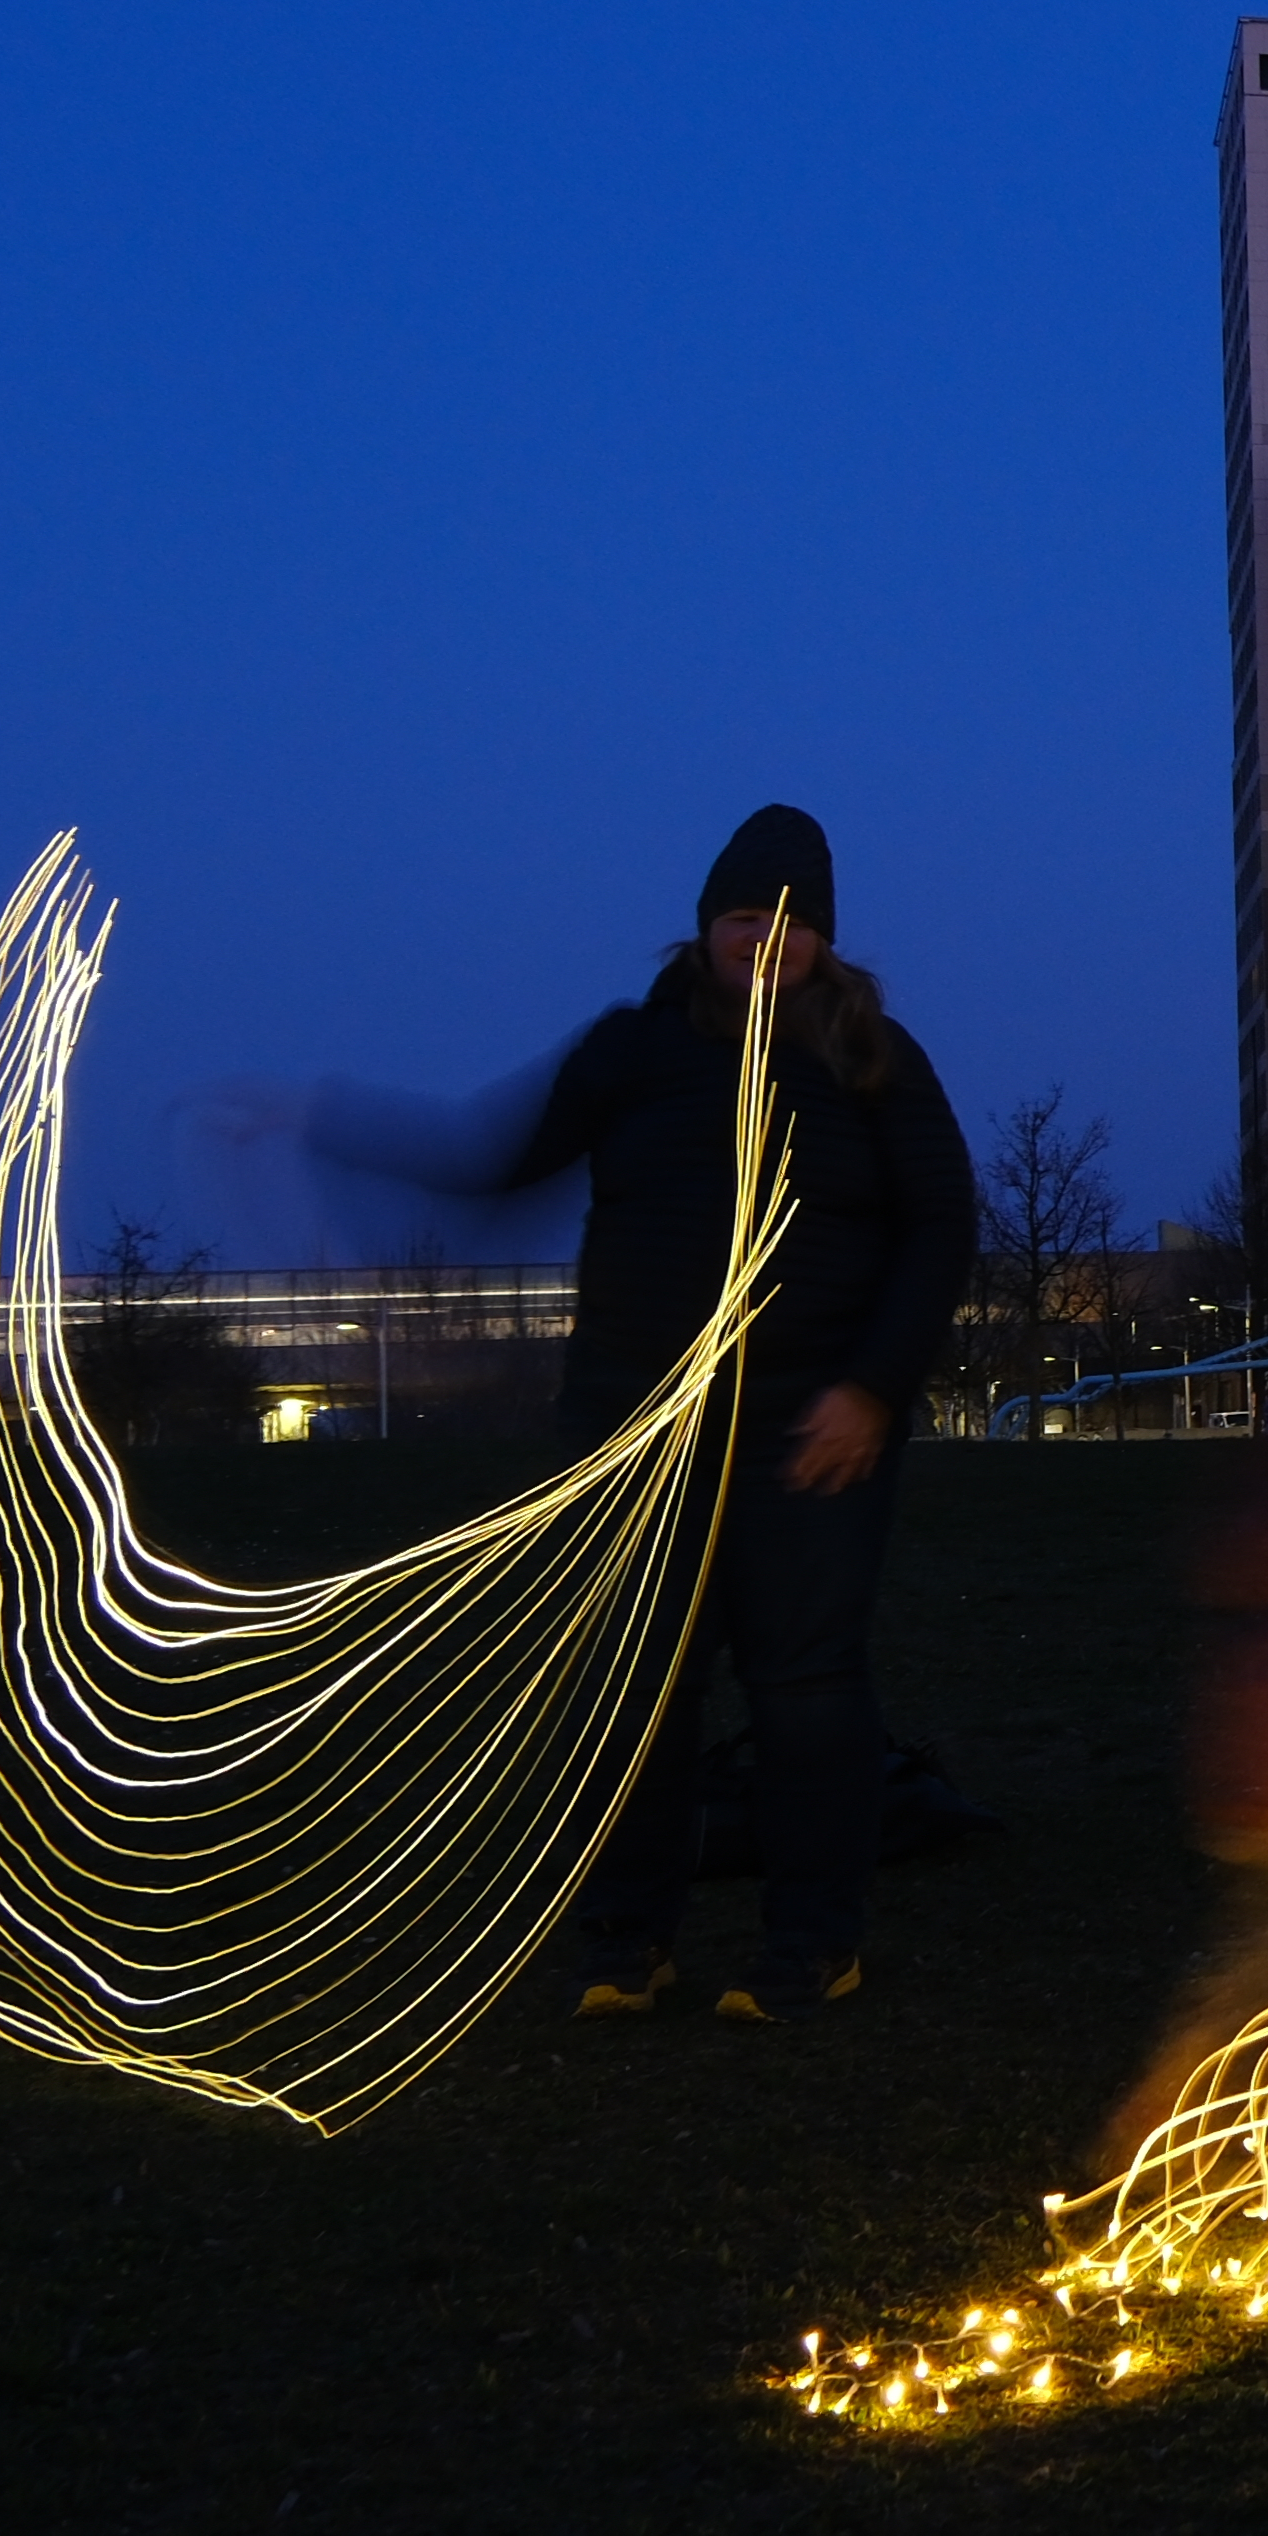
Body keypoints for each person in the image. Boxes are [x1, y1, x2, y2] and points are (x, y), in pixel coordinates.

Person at [530, 804, 979, 2025]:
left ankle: (809, 1946)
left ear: (821, 942)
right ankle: (629, 1941)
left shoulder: (876, 1057)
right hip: (638, 1435)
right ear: (709, 923)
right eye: (747, 916)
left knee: (806, 1687)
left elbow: (943, 1226)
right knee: (635, 1689)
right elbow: (509, 1151)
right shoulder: (632, 1051)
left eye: (792, 924)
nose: (767, 940)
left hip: (809, 1437)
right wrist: (327, 1129)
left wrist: (873, 1386)